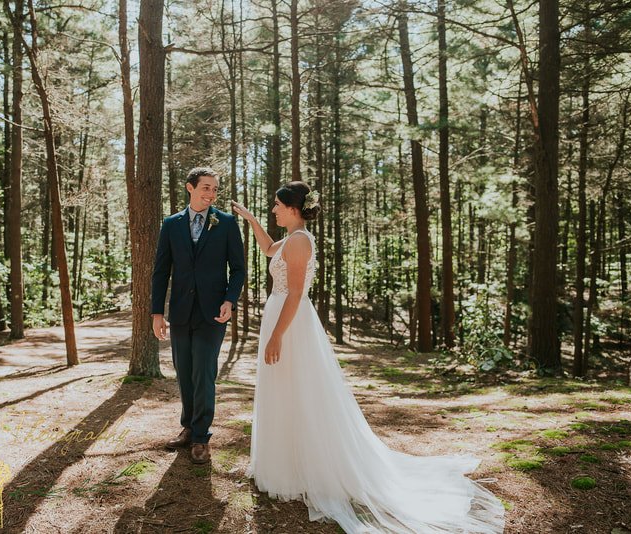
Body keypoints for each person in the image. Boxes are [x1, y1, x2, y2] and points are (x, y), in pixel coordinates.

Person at [232, 182, 505, 533]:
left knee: (299, 392)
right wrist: (251, 219)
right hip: (282, 318)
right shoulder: (291, 239)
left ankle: (305, 468)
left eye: (276, 206)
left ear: (293, 208)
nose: (274, 210)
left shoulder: (301, 241)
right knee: (286, 393)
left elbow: (296, 293)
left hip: (291, 324)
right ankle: (287, 464)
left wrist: (276, 335)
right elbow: (269, 249)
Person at [151, 167, 246, 464]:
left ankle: (202, 438)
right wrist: (157, 312)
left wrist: (230, 300)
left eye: (215, 189)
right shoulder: (171, 224)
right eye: (206, 187)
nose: (211, 194)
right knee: (185, 373)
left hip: (213, 313)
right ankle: (189, 428)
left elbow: (239, 268)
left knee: (204, 372)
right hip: (180, 312)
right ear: (189, 188)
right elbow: (161, 271)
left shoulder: (227, 223)